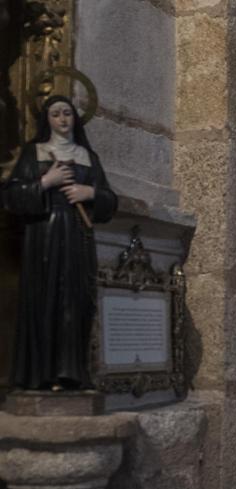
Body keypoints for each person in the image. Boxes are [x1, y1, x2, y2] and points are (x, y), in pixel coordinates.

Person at [2, 95, 118, 390]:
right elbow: (11, 196)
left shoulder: (87, 157)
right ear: (47, 120)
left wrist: (89, 193)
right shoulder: (35, 152)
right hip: (43, 234)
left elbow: (109, 200)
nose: (63, 119)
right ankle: (40, 375)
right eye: (56, 114)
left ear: (75, 119)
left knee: (75, 301)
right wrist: (46, 182)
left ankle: (71, 373)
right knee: (45, 298)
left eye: (68, 113)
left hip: (78, 234)